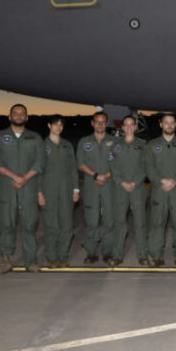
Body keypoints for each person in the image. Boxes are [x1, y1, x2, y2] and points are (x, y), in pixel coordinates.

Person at [0, 103, 43, 273]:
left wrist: (25, 178)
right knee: (7, 225)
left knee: (29, 225)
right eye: (15, 113)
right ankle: (6, 259)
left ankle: (30, 261)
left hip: (28, 189)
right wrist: (15, 177)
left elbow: (40, 162)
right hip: (7, 188)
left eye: (22, 113)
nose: (19, 116)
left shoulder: (35, 138)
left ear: (27, 117)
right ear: (9, 117)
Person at [145, 113, 176, 267]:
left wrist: (175, 181)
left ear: (175, 125)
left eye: (172, 122)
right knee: (157, 223)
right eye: (166, 122)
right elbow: (149, 166)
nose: (169, 125)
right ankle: (156, 255)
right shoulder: (152, 145)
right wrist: (161, 180)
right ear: (161, 124)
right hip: (159, 189)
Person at [38, 115, 79, 268]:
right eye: (55, 125)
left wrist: (76, 188)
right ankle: (52, 257)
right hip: (48, 192)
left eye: (61, 125)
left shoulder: (67, 145)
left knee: (67, 226)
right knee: (51, 227)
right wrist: (39, 192)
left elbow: (73, 169)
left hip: (66, 192)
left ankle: (63, 256)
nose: (58, 127)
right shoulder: (41, 146)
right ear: (49, 126)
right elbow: (37, 171)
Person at [107, 115, 148, 266]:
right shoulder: (115, 145)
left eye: (132, 124)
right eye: (126, 125)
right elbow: (113, 166)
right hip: (120, 189)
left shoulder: (143, 145)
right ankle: (117, 255)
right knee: (119, 223)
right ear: (122, 127)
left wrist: (135, 182)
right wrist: (121, 182)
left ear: (136, 127)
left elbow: (145, 166)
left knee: (140, 223)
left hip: (137, 189)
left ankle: (142, 254)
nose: (129, 127)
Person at [76, 111, 114, 264]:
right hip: (91, 186)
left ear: (106, 124)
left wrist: (106, 176)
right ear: (92, 123)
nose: (99, 124)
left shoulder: (114, 142)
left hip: (109, 187)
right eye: (97, 121)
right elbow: (80, 163)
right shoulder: (84, 142)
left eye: (103, 121)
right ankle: (91, 253)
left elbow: (118, 163)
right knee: (91, 221)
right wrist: (96, 175)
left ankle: (107, 252)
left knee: (108, 221)